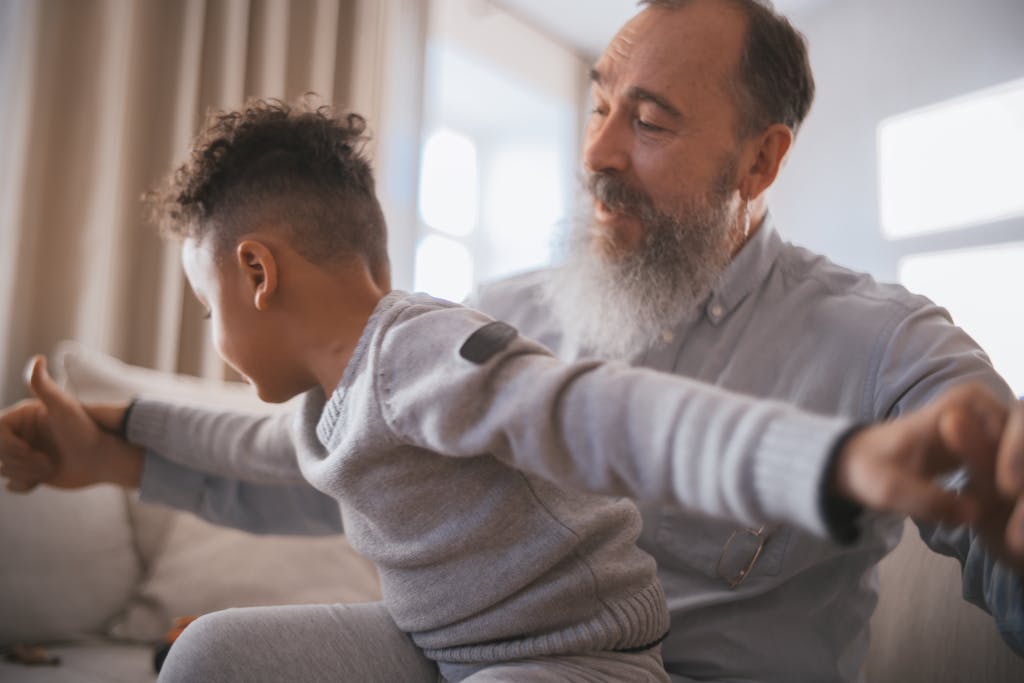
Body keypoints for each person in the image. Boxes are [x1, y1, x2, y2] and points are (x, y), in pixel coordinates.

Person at [1, 0, 1022, 681]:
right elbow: (346, 466)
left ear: (759, 163)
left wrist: (846, 464)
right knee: (217, 658)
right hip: (477, 649)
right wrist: (119, 450)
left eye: (650, 122)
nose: (596, 152)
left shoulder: (882, 342)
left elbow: (624, 420)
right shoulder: (498, 309)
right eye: (599, 105)